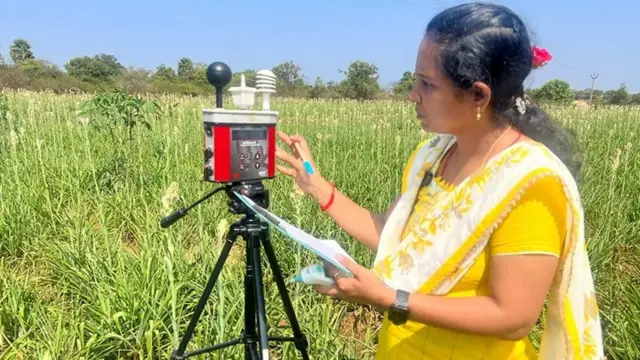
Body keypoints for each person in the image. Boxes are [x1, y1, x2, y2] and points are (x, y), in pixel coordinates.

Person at [275, 3, 604, 359]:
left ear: (478, 95)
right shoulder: (434, 156)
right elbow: (394, 238)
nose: (411, 95)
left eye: (427, 84)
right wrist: (317, 186)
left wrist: (389, 299)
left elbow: (513, 317)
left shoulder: (530, 182)